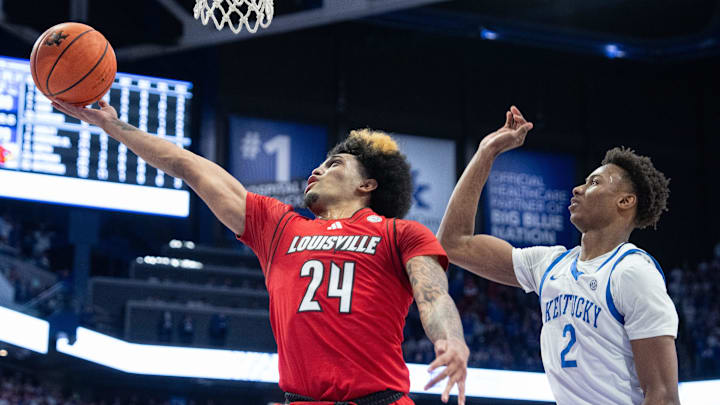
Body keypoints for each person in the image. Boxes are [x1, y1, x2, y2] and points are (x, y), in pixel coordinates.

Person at [52, 100, 469, 405]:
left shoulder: (401, 233)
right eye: (320, 163)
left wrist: (450, 341)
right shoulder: (279, 227)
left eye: (334, 163)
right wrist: (112, 125)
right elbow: (187, 165)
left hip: (378, 401)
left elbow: (433, 296)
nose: (317, 169)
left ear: (368, 185)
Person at [437, 106, 680, 405]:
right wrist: (488, 150)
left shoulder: (631, 272)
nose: (578, 189)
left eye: (594, 183)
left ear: (625, 201)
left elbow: (663, 395)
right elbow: (454, 243)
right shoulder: (549, 264)